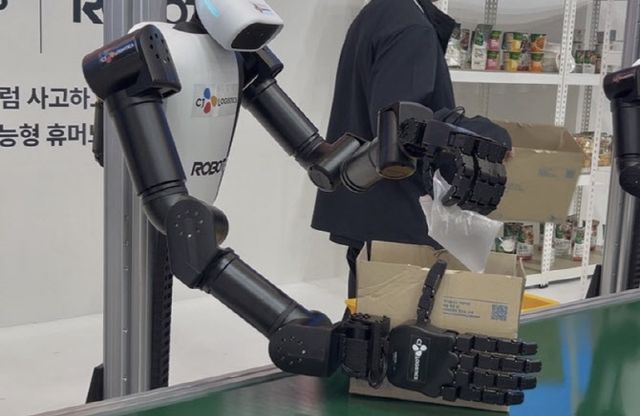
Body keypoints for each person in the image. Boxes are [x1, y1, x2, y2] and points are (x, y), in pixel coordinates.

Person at [311, 0, 462, 298]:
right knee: (396, 318)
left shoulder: (381, 13)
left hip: (372, 205)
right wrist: (468, 136)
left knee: (367, 313)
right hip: (398, 214)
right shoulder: (412, 28)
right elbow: (401, 136)